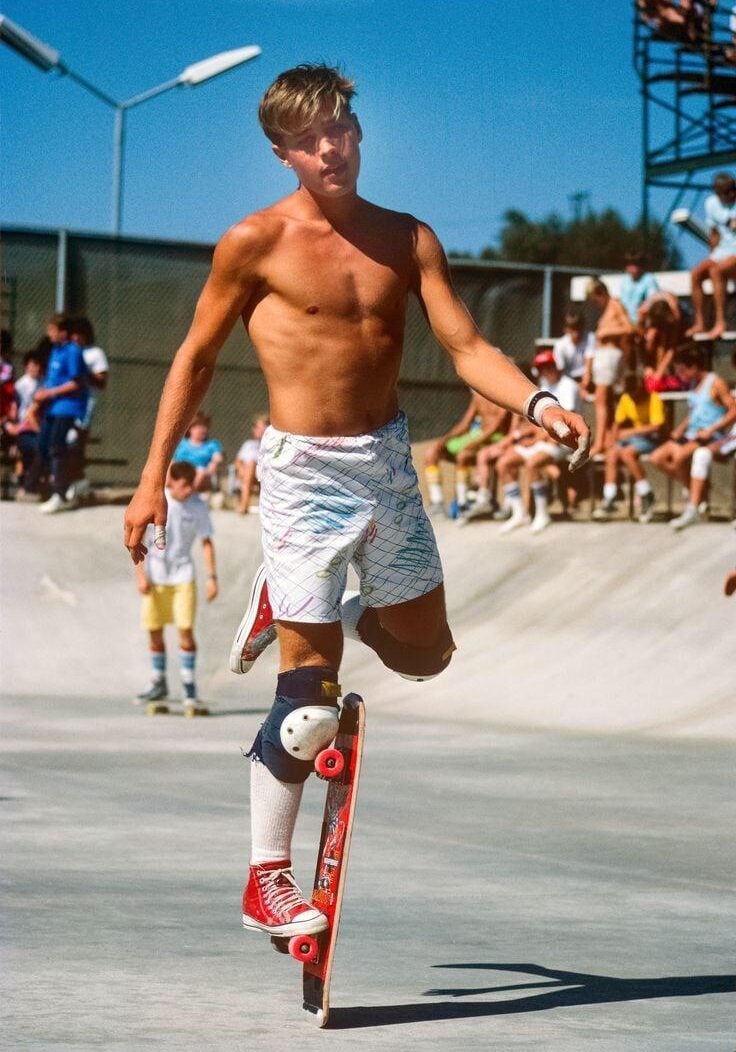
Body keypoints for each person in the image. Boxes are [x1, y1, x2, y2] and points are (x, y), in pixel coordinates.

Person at [123, 64, 590, 940]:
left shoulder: (408, 239)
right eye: (307, 139)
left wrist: (540, 403)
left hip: (386, 466)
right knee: (308, 705)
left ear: (359, 132)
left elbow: (467, 343)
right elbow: (191, 358)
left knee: (426, 657)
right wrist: (151, 480)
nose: (328, 147)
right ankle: (268, 877)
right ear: (282, 152)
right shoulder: (252, 242)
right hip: (301, 475)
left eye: (338, 128)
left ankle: (322, 601)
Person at [134, 461, 218, 710]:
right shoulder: (159, 501)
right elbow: (137, 539)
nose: (188, 490)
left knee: (185, 630)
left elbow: (206, 542)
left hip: (183, 576)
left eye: (191, 485)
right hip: (155, 576)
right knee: (155, 630)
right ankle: (158, 682)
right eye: (183, 486)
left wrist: (212, 577)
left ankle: (188, 685)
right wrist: (140, 574)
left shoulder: (198, 506)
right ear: (173, 482)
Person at [493, 350, 583, 533]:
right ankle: (520, 514)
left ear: (556, 366)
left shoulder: (569, 386)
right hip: (541, 441)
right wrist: (529, 437)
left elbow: (564, 424)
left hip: (564, 442)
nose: (545, 371)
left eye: (548, 366)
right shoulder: (542, 386)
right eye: (541, 368)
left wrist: (536, 439)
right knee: (503, 463)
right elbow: (537, 420)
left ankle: (542, 514)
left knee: (533, 463)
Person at [647, 343, 736, 530]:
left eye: (682, 371)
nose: (680, 375)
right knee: (657, 458)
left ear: (694, 367)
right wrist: (680, 428)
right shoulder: (696, 384)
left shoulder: (716, 382)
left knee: (679, 458)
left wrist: (712, 429)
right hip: (691, 433)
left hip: (708, 435)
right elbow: (696, 412)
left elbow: (733, 409)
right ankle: (699, 490)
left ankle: (693, 505)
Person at [25, 314, 88, 514]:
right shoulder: (55, 351)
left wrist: (49, 393)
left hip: (67, 408)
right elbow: (52, 380)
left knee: (57, 448)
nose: (49, 334)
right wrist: (41, 394)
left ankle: (60, 495)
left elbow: (77, 382)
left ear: (63, 332)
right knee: (43, 445)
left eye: (52, 330)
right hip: (53, 408)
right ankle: (37, 487)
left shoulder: (73, 351)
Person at [423, 390, 510, 515]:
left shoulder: (502, 395)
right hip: (477, 435)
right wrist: (444, 440)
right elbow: (465, 424)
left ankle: (462, 502)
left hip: (495, 439)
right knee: (431, 452)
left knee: (463, 455)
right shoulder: (478, 396)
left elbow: (496, 426)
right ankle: (438, 502)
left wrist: (473, 444)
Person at [593, 372, 665, 523]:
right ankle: (610, 497)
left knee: (627, 454)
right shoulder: (626, 398)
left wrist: (630, 432)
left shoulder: (654, 399)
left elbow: (657, 427)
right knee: (611, 454)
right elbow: (617, 424)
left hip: (652, 439)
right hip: (634, 438)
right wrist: (612, 441)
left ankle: (646, 494)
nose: (634, 399)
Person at [584, 279, 634, 457]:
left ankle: (599, 443)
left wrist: (606, 333)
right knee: (604, 401)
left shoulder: (615, 305)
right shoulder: (607, 310)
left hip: (610, 355)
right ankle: (605, 439)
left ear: (601, 293)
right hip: (604, 355)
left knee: (601, 400)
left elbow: (629, 328)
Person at [686, 172, 736, 340]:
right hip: (722, 250)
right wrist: (710, 255)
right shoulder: (711, 204)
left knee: (716, 272)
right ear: (718, 193)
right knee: (696, 273)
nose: (732, 194)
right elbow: (714, 234)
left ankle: (720, 322)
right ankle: (700, 322)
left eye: (733, 189)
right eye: (727, 191)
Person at [66, 316, 109, 503]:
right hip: (64, 404)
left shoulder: (95, 353)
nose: (76, 338)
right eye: (73, 334)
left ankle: (78, 481)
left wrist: (83, 373)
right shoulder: (68, 351)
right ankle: (71, 481)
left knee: (76, 440)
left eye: (79, 334)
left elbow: (101, 382)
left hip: (84, 405)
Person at [5, 351, 44, 495]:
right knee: (30, 448)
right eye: (33, 365)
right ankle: (25, 482)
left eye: (38, 365)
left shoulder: (44, 383)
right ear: (26, 367)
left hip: (38, 425)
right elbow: (15, 409)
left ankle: (32, 483)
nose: (36, 368)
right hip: (24, 426)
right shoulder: (20, 385)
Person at [173, 411, 224, 494]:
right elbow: (173, 460)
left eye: (205, 426)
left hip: (200, 474)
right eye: (199, 426)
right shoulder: (181, 443)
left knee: (201, 472)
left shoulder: (212, 445)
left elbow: (218, 459)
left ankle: (187, 494)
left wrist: (214, 463)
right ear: (190, 428)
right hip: (180, 471)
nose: (203, 429)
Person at [233, 412, 268, 514]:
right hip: (246, 474)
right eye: (257, 427)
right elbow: (237, 461)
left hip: (263, 473)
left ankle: (244, 504)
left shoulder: (268, 445)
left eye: (262, 427)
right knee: (249, 466)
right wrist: (241, 469)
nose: (259, 430)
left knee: (252, 464)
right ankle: (245, 503)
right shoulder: (248, 444)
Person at [552, 310, 595, 383]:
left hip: (587, 378)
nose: (576, 333)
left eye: (579, 329)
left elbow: (588, 366)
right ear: (565, 329)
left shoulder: (590, 338)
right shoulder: (560, 345)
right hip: (568, 380)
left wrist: (583, 386)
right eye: (572, 329)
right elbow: (560, 371)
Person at [619, 252, 659, 327]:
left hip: (643, 322)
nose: (630, 267)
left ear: (641, 265)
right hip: (625, 322)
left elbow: (652, 301)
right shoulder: (625, 280)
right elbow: (622, 303)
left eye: (634, 264)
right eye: (628, 264)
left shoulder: (649, 279)